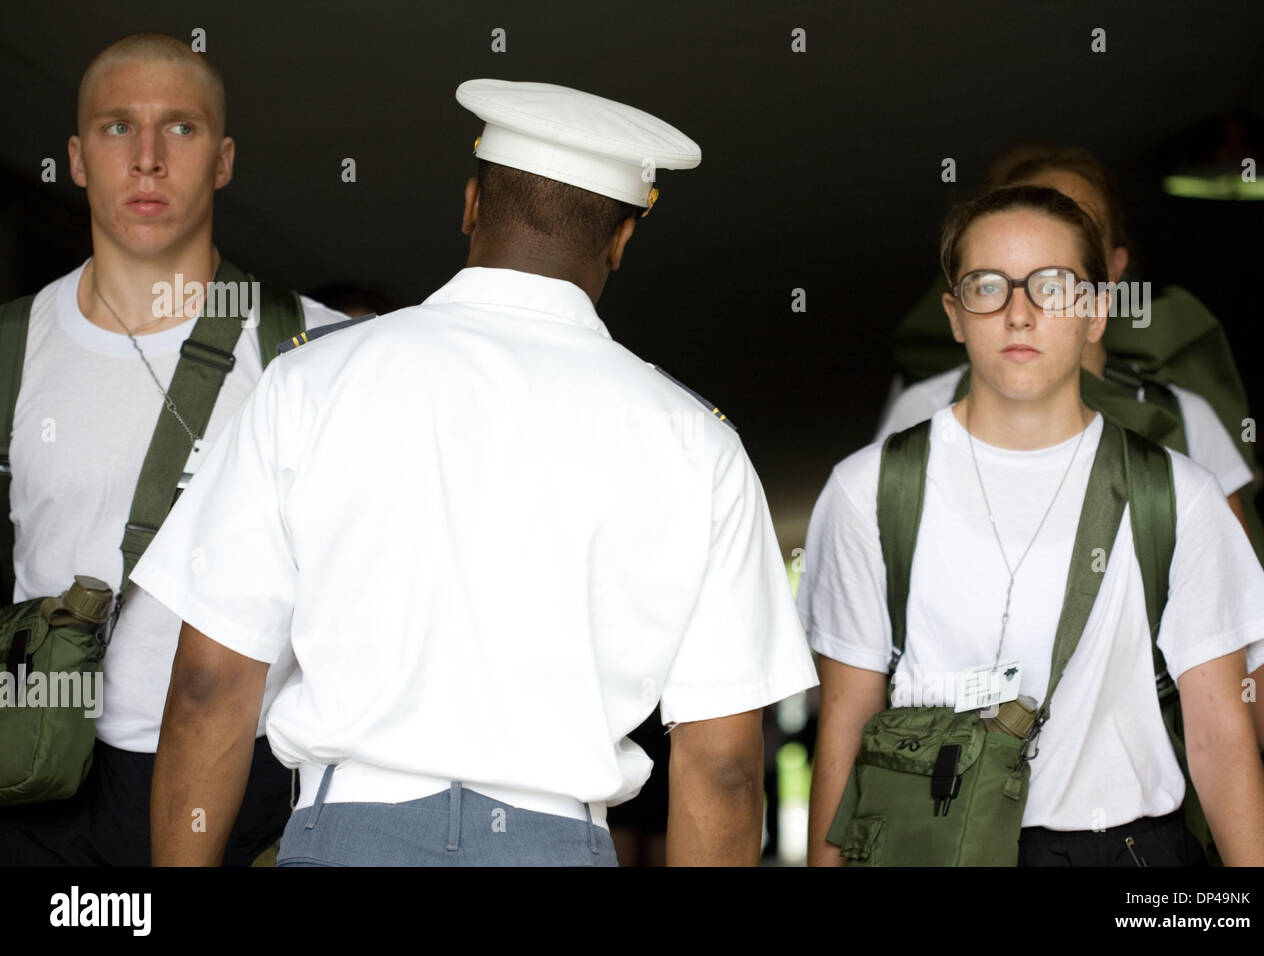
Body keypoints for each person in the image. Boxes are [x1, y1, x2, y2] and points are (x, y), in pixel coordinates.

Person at [129, 78, 819, 867]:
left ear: (469, 203)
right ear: (623, 241)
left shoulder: (311, 385)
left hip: (345, 835)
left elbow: (209, 688)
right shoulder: (698, 445)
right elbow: (724, 766)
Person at [801, 185, 1264, 866]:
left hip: (1127, 856)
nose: (1020, 314)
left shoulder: (1178, 493)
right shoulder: (869, 490)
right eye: (988, 286)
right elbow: (847, 727)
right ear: (955, 315)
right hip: (931, 848)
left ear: (1095, 312)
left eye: (1053, 287)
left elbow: (1221, 737)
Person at [0, 33, 347, 866]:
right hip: (39, 772)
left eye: (180, 130)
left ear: (223, 160)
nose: (148, 159)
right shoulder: (15, 344)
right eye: (119, 129)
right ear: (78, 159)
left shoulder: (314, 349)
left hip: (246, 782)